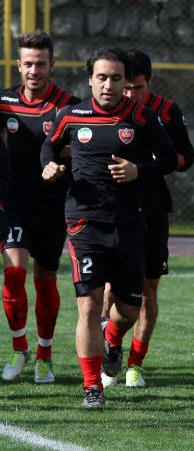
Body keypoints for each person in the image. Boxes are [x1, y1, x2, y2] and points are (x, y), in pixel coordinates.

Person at [40, 46, 177, 408]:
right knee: (89, 304)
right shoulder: (72, 115)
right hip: (84, 221)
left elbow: (169, 158)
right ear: (90, 79)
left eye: (116, 78)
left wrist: (138, 171)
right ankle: (92, 387)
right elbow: (48, 147)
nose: (108, 84)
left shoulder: (142, 117)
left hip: (129, 222)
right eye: (101, 77)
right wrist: (49, 167)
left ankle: (112, 338)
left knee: (130, 308)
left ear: (124, 81)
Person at [100, 49, 194, 388]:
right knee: (108, 288)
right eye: (124, 87)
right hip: (112, 209)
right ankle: (109, 345)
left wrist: (155, 162)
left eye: (136, 87)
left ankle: (135, 364)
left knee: (148, 291)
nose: (129, 94)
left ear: (149, 82)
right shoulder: (101, 110)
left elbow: (186, 158)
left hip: (152, 208)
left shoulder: (166, 112)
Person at [0, 30, 78, 384]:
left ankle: (44, 357)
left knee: (45, 280)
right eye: (28, 64)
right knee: (14, 274)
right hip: (15, 203)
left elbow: (83, 147)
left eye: (41, 64)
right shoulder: (5, 102)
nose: (35, 70)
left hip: (53, 205)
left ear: (52, 65)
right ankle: (19, 348)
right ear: (19, 65)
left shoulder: (68, 106)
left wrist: (63, 159)